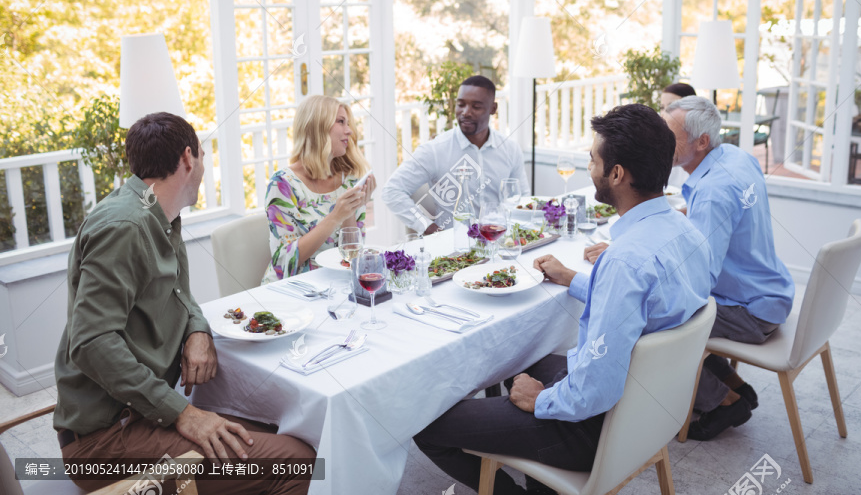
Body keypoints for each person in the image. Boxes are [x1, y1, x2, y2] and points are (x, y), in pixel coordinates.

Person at [413, 104, 712, 495]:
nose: (589, 168)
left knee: (425, 424)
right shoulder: (686, 231)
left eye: (593, 159)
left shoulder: (624, 260)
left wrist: (542, 401)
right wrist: (573, 279)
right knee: (523, 358)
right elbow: (644, 304)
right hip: (649, 414)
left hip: (598, 427)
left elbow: (595, 390)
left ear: (617, 174)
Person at [54, 112, 314, 494]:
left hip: (138, 417)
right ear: (189, 159)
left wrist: (196, 329)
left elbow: (181, 293)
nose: (205, 167)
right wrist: (183, 413)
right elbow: (92, 344)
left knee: (288, 429)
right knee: (300, 464)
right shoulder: (124, 228)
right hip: (105, 441)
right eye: (205, 157)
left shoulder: (160, 215)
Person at [661, 95, 795, 441]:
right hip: (771, 294)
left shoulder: (712, 192)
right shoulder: (734, 156)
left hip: (749, 312)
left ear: (701, 141)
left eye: (669, 134)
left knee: (654, 319)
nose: (660, 141)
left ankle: (723, 402)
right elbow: (721, 222)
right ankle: (736, 385)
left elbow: (699, 278)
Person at [382, 75, 529, 235]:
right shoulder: (435, 150)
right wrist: (428, 227)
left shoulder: (510, 149)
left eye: (476, 106)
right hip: (455, 250)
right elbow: (392, 190)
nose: (466, 113)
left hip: (499, 239)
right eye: (461, 105)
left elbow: (522, 198)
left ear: (493, 109)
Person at [262, 95, 375, 283]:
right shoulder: (282, 184)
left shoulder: (349, 181)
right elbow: (283, 263)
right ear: (317, 127)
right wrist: (335, 217)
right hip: (292, 291)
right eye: (341, 122)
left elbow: (353, 257)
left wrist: (349, 212)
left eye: (348, 123)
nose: (349, 131)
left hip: (334, 285)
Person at [660, 82, 696, 189]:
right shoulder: (660, 142)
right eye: (662, 107)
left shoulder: (698, 144)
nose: (664, 113)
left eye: (671, 106)